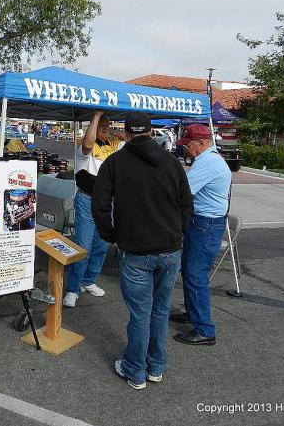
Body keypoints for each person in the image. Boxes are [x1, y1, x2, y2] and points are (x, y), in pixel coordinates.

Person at [92, 113, 193, 390]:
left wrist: (111, 236)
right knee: (159, 311)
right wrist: (178, 232)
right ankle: (155, 366)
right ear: (150, 131)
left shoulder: (114, 162)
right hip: (170, 249)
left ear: (125, 133)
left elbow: (99, 206)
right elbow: (187, 204)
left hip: (135, 251)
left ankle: (135, 370)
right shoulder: (171, 162)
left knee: (141, 314)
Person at [170, 124, 231, 346]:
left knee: (195, 275)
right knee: (189, 271)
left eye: (189, 144)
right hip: (204, 222)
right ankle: (193, 312)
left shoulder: (208, 162)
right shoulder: (208, 160)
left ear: (202, 143)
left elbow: (182, 191)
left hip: (206, 223)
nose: (186, 149)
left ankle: (204, 329)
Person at [63, 111, 126, 308]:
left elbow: (132, 140)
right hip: (87, 200)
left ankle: (88, 281)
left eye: (108, 125)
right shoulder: (84, 148)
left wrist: (111, 130)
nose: (106, 129)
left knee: (101, 246)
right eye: (102, 126)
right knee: (83, 247)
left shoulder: (113, 145)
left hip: (107, 203)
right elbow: (89, 144)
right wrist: (96, 117)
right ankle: (72, 289)